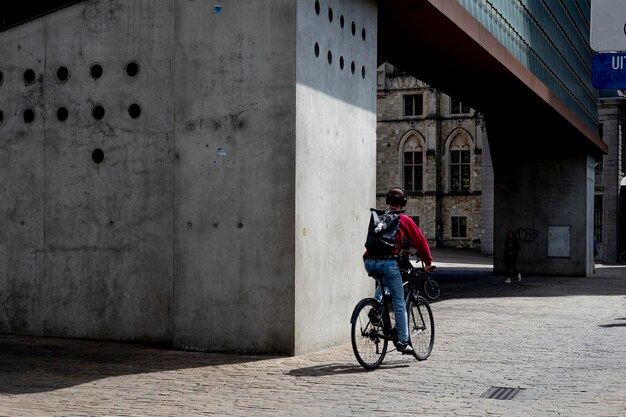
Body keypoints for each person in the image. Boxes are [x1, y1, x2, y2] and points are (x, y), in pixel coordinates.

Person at [363, 187, 433, 354]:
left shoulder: (378, 217)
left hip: (369, 261)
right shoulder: (404, 220)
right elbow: (420, 242)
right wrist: (428, 262)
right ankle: (402, 341)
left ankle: (376, 308)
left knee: (384, 281)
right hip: (388, 263)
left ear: (388, 203)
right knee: (399, 302)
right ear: (403, 204)